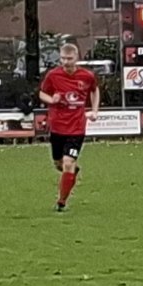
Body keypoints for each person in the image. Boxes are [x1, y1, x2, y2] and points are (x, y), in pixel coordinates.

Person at [40, 43, 99, 212]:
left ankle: (61, 201)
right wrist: (52, 100)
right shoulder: (53, 75)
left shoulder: (86, 76)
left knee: (67, 163)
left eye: (69, 58)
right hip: (57, 127)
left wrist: (94, 110)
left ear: (77, 58)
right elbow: (42, 93)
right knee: (59, 163)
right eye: (63, 58)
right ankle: (72, 173)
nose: (66, 62)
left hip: (76, 128)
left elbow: (95, 90)